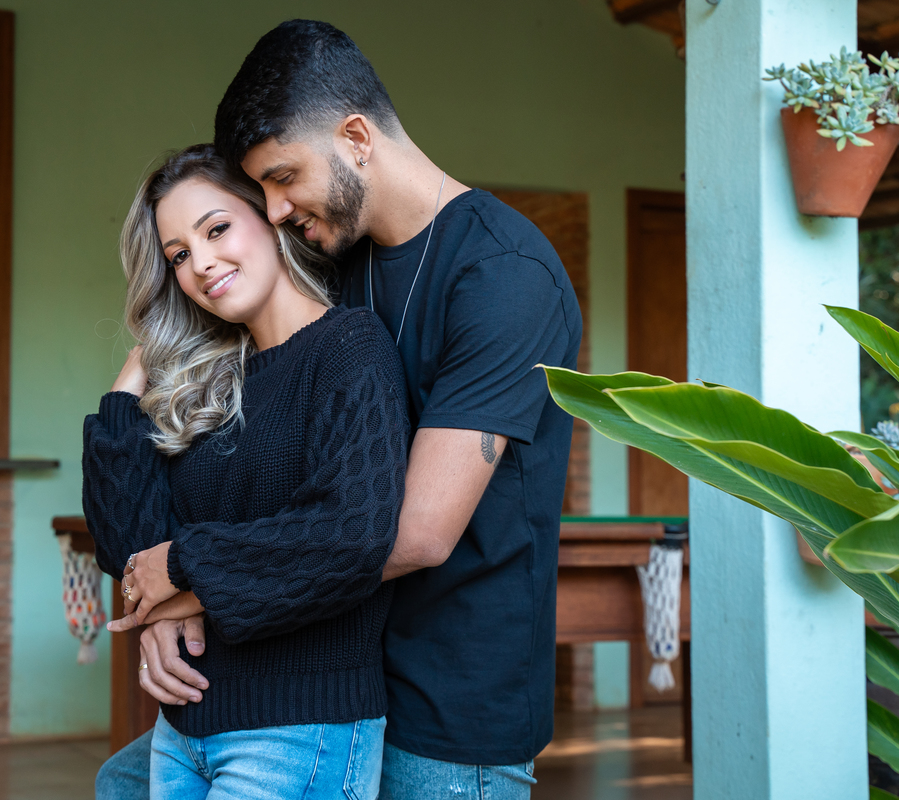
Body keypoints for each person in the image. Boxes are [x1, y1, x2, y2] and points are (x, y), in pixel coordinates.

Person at [97, 20, 583, 800]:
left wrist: (182, 588)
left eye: (284, 178)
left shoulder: (504, 275)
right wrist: (161, 603)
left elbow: (412, 533)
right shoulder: (332, 257)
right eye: (260, 192)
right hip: (313, 673)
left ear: (356, 137)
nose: (275, 210)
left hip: (448, 706)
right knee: (120, 784)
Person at [83, 143, 409, 800]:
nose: (201, 263)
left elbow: (350, 536)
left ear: (270, 215)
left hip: (300, 730)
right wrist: (130, 383)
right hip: (184, 729)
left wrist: (183, 566)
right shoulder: (208, 383)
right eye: (178, 255)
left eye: (216, 229)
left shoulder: (350, 346)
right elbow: (129, 552)